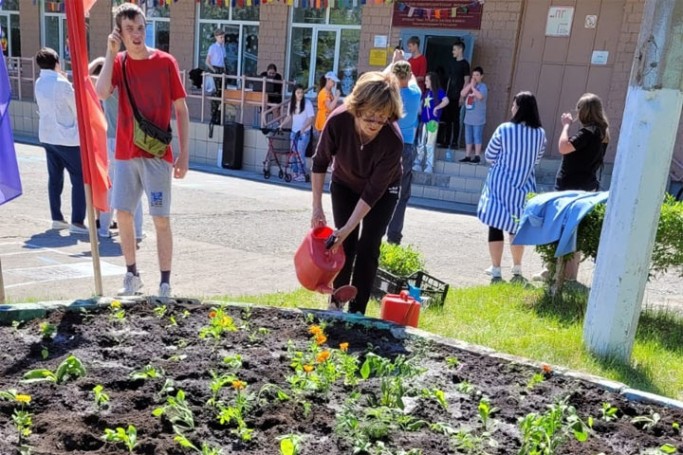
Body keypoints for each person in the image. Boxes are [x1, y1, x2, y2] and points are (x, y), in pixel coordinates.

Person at [95, 3, 190, 297]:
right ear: (119, 33)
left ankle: (165, 282)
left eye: (140, 28)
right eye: (129, 29)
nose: (136, 35)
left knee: (160, 218)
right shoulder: (119, 62)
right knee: (122, 213)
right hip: (125, 153)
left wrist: (184, 154)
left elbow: (181, 108)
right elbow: (100, 92)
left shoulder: (165, 62)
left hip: (157, 154)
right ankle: (132, 275)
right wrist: (111, 53)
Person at [311, 71, 403, 315]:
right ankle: (336, 304)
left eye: (382, 118)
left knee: (369, 245)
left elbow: (373, 192)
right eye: (369, 116)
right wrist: (317, 206)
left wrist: (348, 227)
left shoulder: (393, 141)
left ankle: (358, 311)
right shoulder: (338, 121)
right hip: (345, 183)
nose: (374, 123)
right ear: (357, 107)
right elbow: (320, 162)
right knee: (345, 244)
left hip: (382, 192)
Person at [533, 92, 610, 282]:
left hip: (570, 187)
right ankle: (569, 274)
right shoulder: (602, 133)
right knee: (575, 230)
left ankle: (554, 271)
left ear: (583, 111)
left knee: (558, 228)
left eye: (578, 108)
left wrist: (566, 125)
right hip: (587, 186)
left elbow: (563, 147)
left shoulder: (587, 133)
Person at [477, 91, 546, 280]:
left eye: (514, 105)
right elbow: (537, 160)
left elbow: (490, 155)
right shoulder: (540, 133)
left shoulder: (505, 129)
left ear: (520, 108)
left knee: (495, 224)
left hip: (499, 184)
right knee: (516, 227)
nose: (512, 108)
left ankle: (496, 268)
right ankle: (517, 268)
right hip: (524, 185)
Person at [34, 47, 88, 236]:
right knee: (79, 178)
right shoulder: (62, 84)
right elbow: (77, 108)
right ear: (57, 61)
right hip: (67, 139)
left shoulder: (39, 82)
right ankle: (77, 221)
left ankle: (57, 217)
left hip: (47, 136)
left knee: (55, 177)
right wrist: (65, 80)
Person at [89, 57, 144, 241]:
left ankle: (104, 228)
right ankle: (137, 230)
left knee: (111, 185)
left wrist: (98, 61)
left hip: (113, 140)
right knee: (136, 186)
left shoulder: (109, 87)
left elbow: (84, 78)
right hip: (136, 140)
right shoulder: (135, 85)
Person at [386, 61, 422, 245]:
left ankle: (375, 229)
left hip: (388, 144)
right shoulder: (416, 93)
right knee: (402, 193)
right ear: (408, 75)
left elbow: (386, 76)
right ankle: (394, 236)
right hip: (406, 146)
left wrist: (394, 60)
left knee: (382, 188)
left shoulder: (390, 93)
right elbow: (412, 79)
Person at [413, 72, 449, 173]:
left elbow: (446, 101)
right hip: (423, 122)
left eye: (427, 80)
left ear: (432, 81)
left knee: (429, 144)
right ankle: (418, 163)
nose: (425, 83)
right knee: (420, 143)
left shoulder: (439, 92)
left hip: (432, 122)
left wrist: (437, 107)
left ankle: (429, 165)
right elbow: (421, 107)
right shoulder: (426, 93)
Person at [281, 84, 314, 182]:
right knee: (293, 153)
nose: (300, 95)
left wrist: (303, 128)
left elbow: (311, 118)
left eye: (301, 92)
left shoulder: (307, 103)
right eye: (298, 93)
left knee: (300, 153)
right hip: (294, 131)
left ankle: (302, 173)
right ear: (294, 93)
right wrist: (281, 125)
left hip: (304, 133)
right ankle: (295, 172)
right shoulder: (292, 103)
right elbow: (289, 116)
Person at [440, 40, 470, 149]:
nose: (453, 51)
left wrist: (462, 96)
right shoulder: (452, 63)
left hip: (458, 96)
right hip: (449, 95)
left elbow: (466, 80)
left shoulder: (465, 64)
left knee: (455, 119)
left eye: (454, 49)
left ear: (460, 49)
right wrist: (445, 95)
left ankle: (454, 142)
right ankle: (446, 140)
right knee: (447, 119)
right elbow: (449, 79)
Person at [460, 66, 488, 164]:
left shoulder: (483, 87)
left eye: (477, 75)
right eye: (473, 75)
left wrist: (473, 87)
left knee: (477, 136)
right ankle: (467, 156)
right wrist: (470, 85)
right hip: (468, 117)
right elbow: (462, 93)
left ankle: (477, 156)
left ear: (481, 76)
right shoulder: (470, 85)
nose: (475, 77)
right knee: (468, 136)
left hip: (478, 118)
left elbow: (480, 96)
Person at [205, 29, 225, 125]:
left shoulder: (222, 48)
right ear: (216, 37)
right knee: (215, 94)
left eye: (223, 37)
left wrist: (224, 71)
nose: (222, 39)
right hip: (215, 70)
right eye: (221, 37)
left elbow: (223, 61)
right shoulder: (212, 47)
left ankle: (219, 116)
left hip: (221, 71)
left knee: (221, 94)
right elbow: (207, 62)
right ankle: (213, 116)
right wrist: (214, 71)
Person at [314, 71, 341, 137]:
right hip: (323, 122)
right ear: (328, 80)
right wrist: (337, 96)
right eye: (333, 81)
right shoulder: (324, 93)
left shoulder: (329, 92)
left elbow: (333, 106)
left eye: (335, 82)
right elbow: (330, 107)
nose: (334, 84)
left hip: (327, 121)